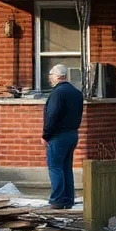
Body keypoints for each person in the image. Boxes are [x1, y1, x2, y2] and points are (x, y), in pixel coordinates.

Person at [43, 64, 84, 210]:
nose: (50, 78)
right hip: (72, 134)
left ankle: (57, 200)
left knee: (55, 167)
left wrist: (45, 134)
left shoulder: (57, 93)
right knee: (66, 167)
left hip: (58, 135)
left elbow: (52, 115)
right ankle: (68, 199)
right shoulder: (76, 93)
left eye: (51, 76)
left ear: (58, 76)